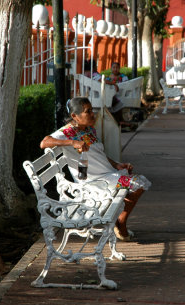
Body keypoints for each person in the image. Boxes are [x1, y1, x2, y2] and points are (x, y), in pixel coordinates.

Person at [39, 97, 151, 241]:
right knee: (138, 184)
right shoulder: (67, 132)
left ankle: (118, 221)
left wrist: (116, 165)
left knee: (134, 183)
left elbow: (99, 153)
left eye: (92, 110)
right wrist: (72, 142)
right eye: (88, 111)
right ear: (74, 116)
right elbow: (44, 142)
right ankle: (120, 223)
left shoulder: (89, 129)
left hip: (107, 175)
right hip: (95, 183)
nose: (93, 114)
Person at [104, 62, 136, 130]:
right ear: (111, 69)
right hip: (112, 96)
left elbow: (126, 85)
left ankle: (121, 123)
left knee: (115, 104)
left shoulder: (123, 77)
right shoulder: (109, 78)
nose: (115, 69)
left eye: (117, 68)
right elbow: (104, 82)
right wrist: (113, 84)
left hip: (121, 95)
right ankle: (122, 123)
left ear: (119, 69)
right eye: (114, 67)